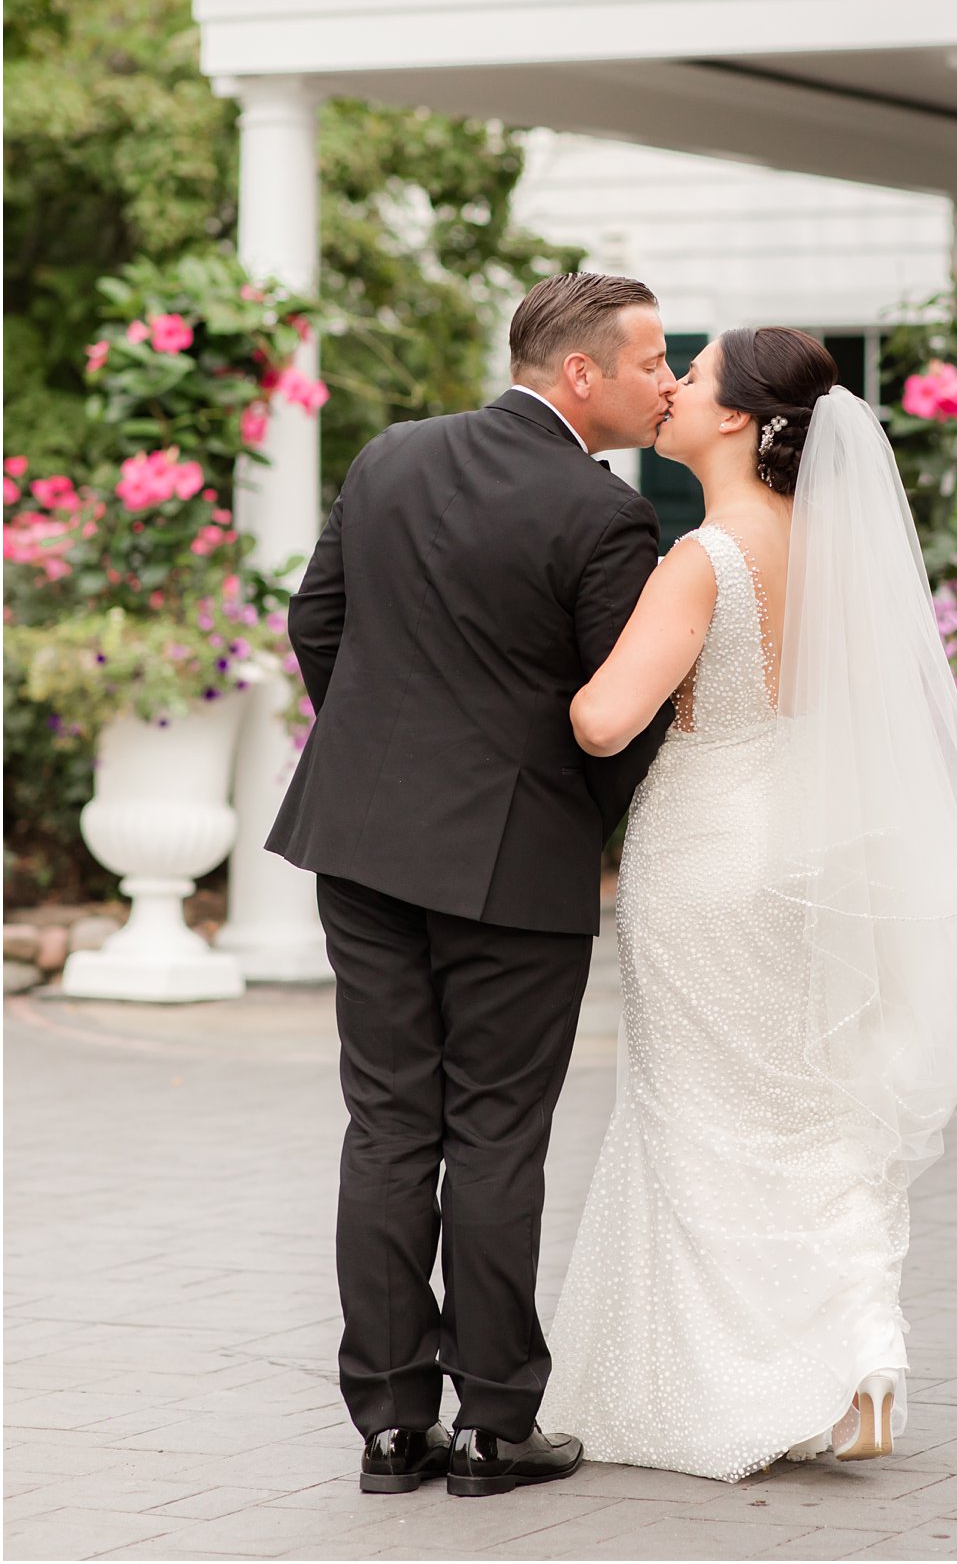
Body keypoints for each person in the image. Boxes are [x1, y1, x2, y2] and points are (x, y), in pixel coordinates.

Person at [541, 328, 957, 1482]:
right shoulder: (830, 551)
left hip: (705, 856)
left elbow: (604, 720)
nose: (670, 392)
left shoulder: (706, 555)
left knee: (699, 1115)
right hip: (804, 851)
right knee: (801, 1105)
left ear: (744, 420)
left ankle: (736, 1385)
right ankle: (856, 1350)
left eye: (691, 378)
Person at [268, 273, 677, 1499]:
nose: (668, 381)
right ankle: (498, 1426)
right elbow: (626, 721)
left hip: (361, 845)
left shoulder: (389, 456)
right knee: (496, 1133)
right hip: (512, 863)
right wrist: (573, 829)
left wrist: (380, 767)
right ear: (579, 375)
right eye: (654, 361)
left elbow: (315, 626)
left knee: (390, 1125)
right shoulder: (602, 518)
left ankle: (391, 1427)